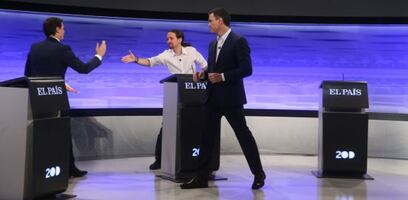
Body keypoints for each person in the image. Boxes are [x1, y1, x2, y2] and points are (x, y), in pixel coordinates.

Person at [180, 8, 266, 190]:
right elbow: (213, 69)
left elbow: (246, 69)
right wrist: (202, 75)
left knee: (243, 136)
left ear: (220, 21)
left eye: (210, 20)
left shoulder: (239, 41)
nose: (208, 24)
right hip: (212, 98)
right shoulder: (212, 44)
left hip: (231, 99)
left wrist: (223, 76)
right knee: (205, 138)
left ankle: (259, 174)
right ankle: (201, 178)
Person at [24, 17, 107, 178]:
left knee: (44, 135)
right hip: (58, 99)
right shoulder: (63, 49)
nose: (64, 31)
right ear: (56, 29)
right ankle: (68, 169)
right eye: (62, 28)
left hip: (38, 101)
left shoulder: (35, 48)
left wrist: (58, 83)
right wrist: (99, 56)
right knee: (62, 133)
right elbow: (83, 69)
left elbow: (28, 75)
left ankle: (52, 170)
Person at [121, 29, 207, 170]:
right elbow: (150, 62)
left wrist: (201, 75)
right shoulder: (166, 55)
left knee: (193, 126)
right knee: (166, 127)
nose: (168, 41)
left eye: (171, 38)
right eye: (167, 39)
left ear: (179, 39)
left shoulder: (191, 51)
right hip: (174, 95)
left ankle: (195, 158)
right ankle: (159, 159)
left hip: (192, 93)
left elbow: (205, 66)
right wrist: (136, 59)